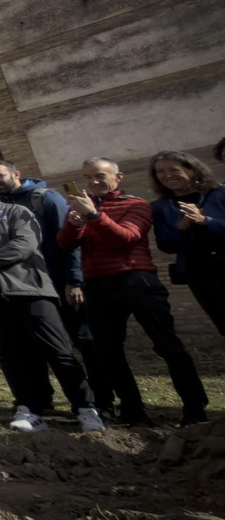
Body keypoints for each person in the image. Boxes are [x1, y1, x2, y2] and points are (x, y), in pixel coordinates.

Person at [0, 174, 104, 434]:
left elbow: (25, 243)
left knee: (57, 350)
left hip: (29, 290)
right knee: (10, 355)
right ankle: (29, 408)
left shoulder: (15, 212)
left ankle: (86, 408)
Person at [59, 157, 208, 426]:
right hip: (97, 284)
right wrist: (75, 222)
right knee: (108, 351)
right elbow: (66, 244)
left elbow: (126, 237)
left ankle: (195, 407)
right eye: (87, 177)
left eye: (99, 176)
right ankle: (132, 409)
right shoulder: (87, 205)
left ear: (118, 177)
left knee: (167, 345)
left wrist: (94, 215)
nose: (93, 182)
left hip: (137, 281)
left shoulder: (136, 203)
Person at [0, 159, 109, 418]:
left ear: (15, 173)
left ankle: (100, 401)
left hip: (59, 282)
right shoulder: (0, 207)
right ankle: (42, 400)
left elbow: (71, 238)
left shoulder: (45, 198)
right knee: (33, 344)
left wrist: (74, 280)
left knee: (81, 340)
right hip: (28, 287)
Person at [150, 150, 225, 338]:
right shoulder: (160, 206)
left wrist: (205, 220)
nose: (167, 176)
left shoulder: (220, 193)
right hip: (199, 273)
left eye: (173, 169)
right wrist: (181, 228)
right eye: (160, 172)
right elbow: (166, 245)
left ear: (192, 169)